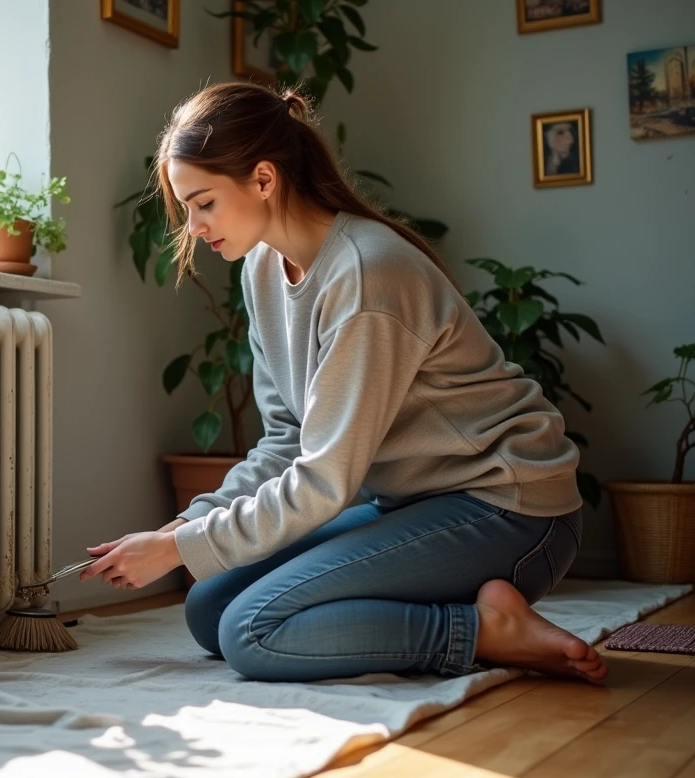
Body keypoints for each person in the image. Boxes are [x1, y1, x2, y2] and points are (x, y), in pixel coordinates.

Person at [79, 82, 606, 684]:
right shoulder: (261, 271)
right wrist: (181, 530)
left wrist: (178, 549)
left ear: (263, 179)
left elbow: (324, 480)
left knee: (251, 632)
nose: (194, 227)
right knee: (210, 606)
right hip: (414, 504)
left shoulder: (367, 273)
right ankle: (471, 610)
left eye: (203, 204)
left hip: (509, 510)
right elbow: (286, 440)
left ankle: (482, 630)